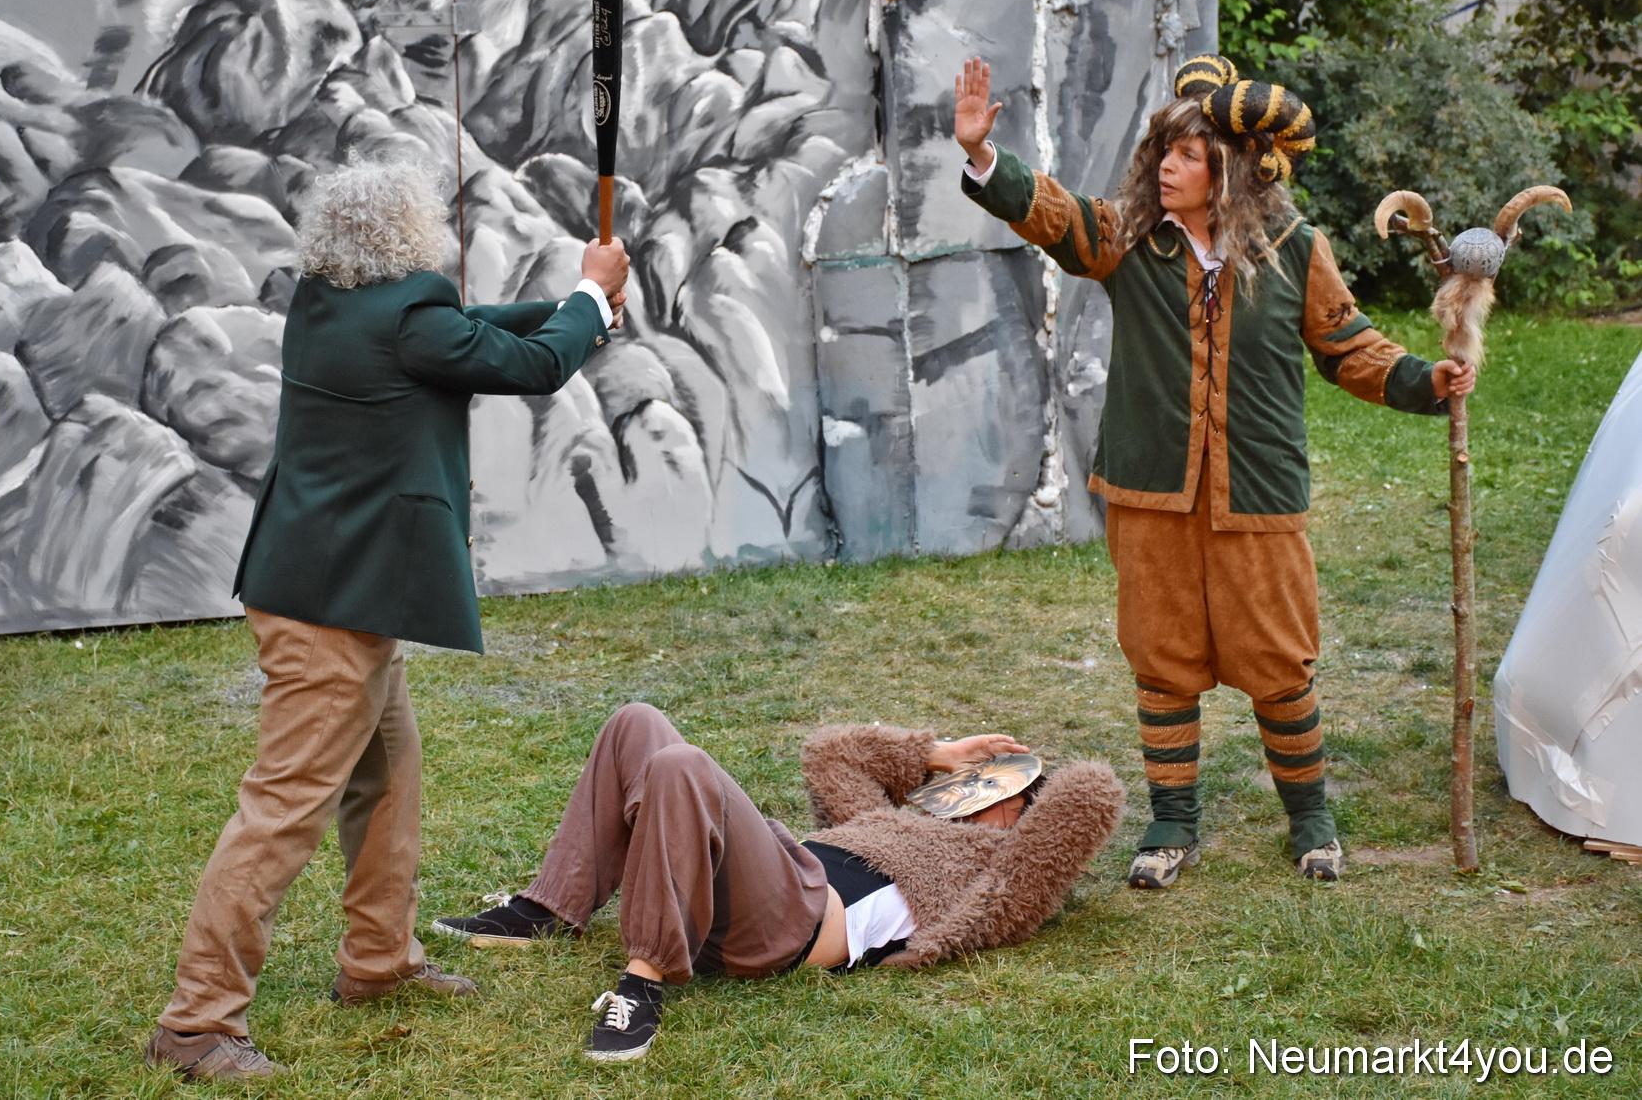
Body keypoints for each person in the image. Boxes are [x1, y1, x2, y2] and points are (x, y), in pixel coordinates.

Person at [145, 154, 631, 1082]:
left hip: (335, 590)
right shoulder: (410, 317)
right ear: (410, 235)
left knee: (388, 780)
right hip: (332, 606)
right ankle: (197, 1020)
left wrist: (584, 309)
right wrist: (585, 293)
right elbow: (528, 365)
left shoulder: (327, 300)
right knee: (282, 811)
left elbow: (471, 333)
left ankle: (379, 961)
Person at [953, 55, 1477, 889]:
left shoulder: (1295, 250)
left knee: (1279, 659)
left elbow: (1349, 346)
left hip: (1257, 490)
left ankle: (1311, 820)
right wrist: (985, 155)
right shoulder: (1129, 238)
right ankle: (1172, 824)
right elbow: (1054, 214)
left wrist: (1426, 380)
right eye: (1164, 150)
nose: (1166, 165)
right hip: (1152, 489)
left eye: (1188, 154)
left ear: (1228, 169)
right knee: (1162, 658)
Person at [430, 703, 1125, 1062]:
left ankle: (642, 984)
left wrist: (1029, 781)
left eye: (1002, 791)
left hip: (793, 924)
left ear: (1027, 819)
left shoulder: (1001, 875)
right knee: (635, 723)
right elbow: (832, 754)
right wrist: (935, 754)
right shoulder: (882, 820)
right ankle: (549, 907)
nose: (982, 792)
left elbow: (1090, 795)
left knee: (681, 766)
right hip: (775, 873)